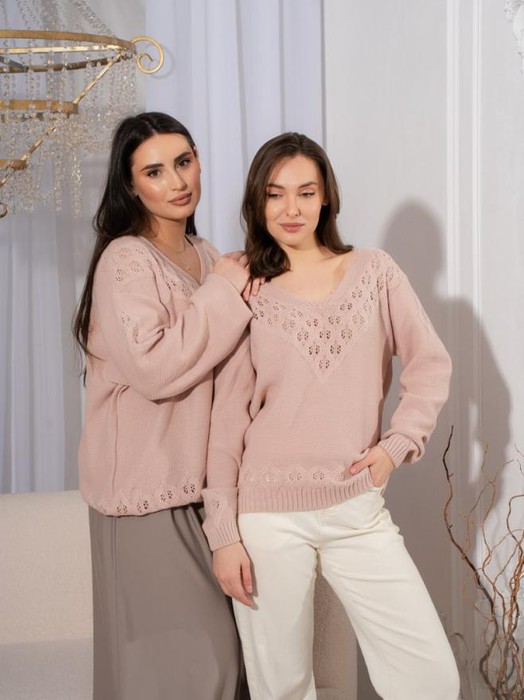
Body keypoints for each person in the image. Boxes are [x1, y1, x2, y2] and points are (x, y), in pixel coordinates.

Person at [202, 132, 461, 700]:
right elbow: (226, 426)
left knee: (431, 678)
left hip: (356, 507)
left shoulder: (375, 272)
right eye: (274, 194)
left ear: (326, 198)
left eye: (305, 192)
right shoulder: (247, 289)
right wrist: (223, 535)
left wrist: (396, 445)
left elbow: (431, 364)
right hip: (266, 516)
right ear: (257, 201)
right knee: (282, 688)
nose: (290, 209)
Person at [73, 111, 254, 700]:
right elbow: (154, 370)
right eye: (154, 171)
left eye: (184, 162)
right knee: (193, 670)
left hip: (206, 492)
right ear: (131, 187)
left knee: (220, 671)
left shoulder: (208, 253)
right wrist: (227, 289)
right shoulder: (126, 260)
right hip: (145, 495)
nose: (177, 181)